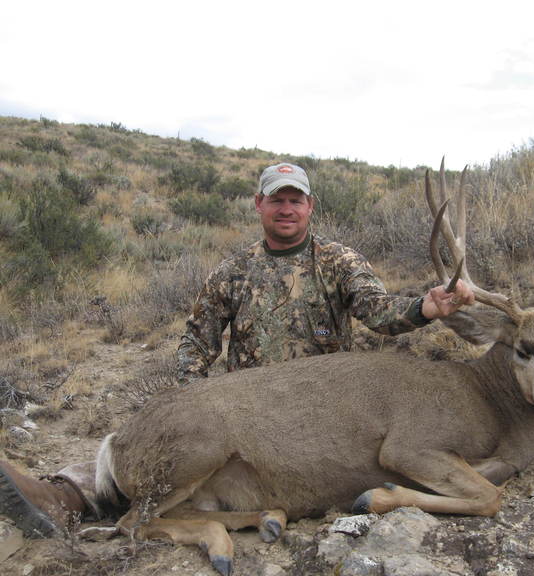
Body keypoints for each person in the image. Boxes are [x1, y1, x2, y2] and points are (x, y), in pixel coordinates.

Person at [0, 162, 474, 537]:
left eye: (295, 200)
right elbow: (197, 341)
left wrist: (424, 307)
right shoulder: (232, 271)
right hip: (249, 410)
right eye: (276, 200)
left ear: (310, 206)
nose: (285, 208)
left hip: (328, 407)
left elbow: (379, 313)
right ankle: (59, 497)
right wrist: (184, 405)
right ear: (259, 205)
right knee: (175, 448)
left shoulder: (339, 261)